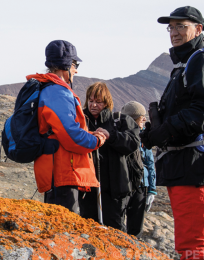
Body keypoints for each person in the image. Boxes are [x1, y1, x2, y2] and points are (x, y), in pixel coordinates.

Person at [141, 6, 204, 260]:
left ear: (198, 29)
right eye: (171, 27)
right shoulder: (187, 64)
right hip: (195, 166)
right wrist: (153, 132)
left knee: (193, 247)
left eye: (181, 26)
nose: (174, 32)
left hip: (195, 167)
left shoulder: (200, 59)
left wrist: (165, 130)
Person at [26, 40, 106, 214]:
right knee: (65, 231)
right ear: (67, 65)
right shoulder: (57, 92)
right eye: (75, 64)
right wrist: (96, 140)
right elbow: (70, 135)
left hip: (61, 171)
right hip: (63, 173)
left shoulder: (50, 89)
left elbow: (61, 129)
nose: (76, 70)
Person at [79, 82, 140, 231]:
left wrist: (111, 136)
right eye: (91, 101)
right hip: (87, 190)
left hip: (114, 191)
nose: (93, 105)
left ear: (107, 102)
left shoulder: (120, 120)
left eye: (98, 102)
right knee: (89, 228)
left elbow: (133, 143)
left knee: (115, 229)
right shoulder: (81, 121)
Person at [121, 101, 157, 238]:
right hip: (125, 185)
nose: (144, 120)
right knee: (122, 225)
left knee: (136, 228)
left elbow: (149, 163)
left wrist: (152, 189)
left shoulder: (143, 137)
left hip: (141, 185)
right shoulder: (122, 136)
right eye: (141, 117)